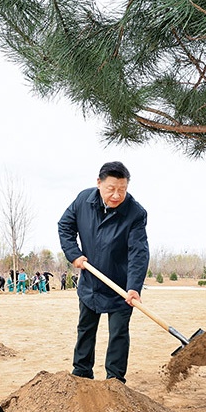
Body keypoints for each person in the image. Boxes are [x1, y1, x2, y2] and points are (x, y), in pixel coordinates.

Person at [58, 161, 149, 384]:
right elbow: (65, 226)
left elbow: (138, 253)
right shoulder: (83, 200)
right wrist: (74, 254)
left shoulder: (135, 213)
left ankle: (115, 381)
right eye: (111, 189)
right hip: (91, 281)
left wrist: (133, 287)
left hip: (121, 287)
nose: (116, 195)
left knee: (118, 333)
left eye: (122, 189)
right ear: (99, 183)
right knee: (85, 329)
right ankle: (81, 373)